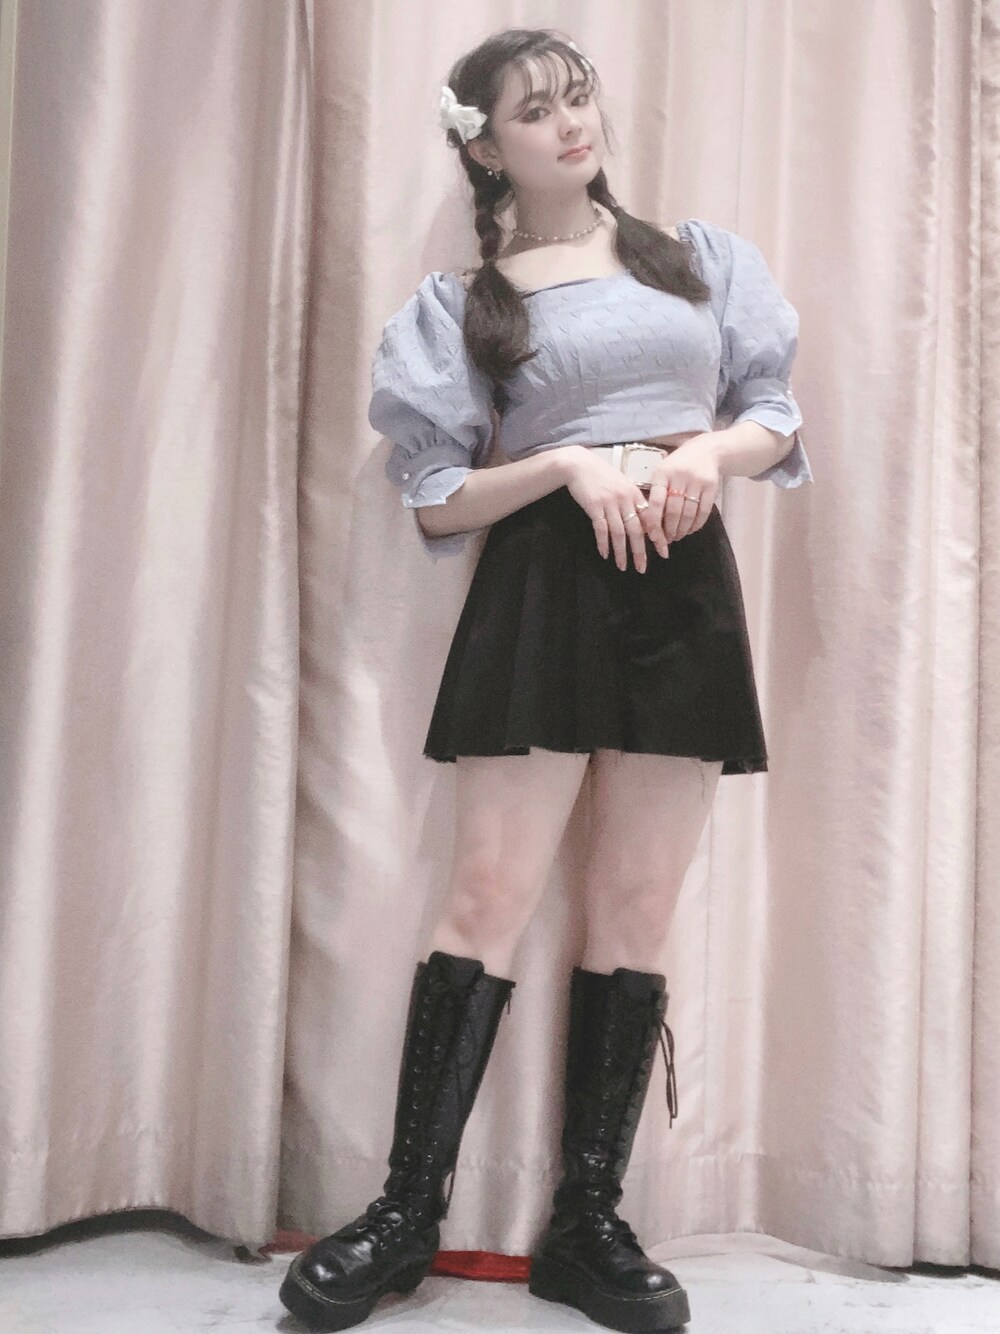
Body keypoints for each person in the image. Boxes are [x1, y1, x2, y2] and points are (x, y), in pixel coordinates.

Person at [280, 25, 812, 1334]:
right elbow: (436, 498)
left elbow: (773, 411)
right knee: (487, 896)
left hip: (682, 587)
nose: (572, 123)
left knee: (634, 909)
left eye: (578, 97)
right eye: (534, 111)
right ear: (485, 148)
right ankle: (406, 1212)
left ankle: (588, 1224)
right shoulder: (467, 306)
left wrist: (706, 455)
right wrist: (570, 463)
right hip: (540, 589)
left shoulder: (697, 259)